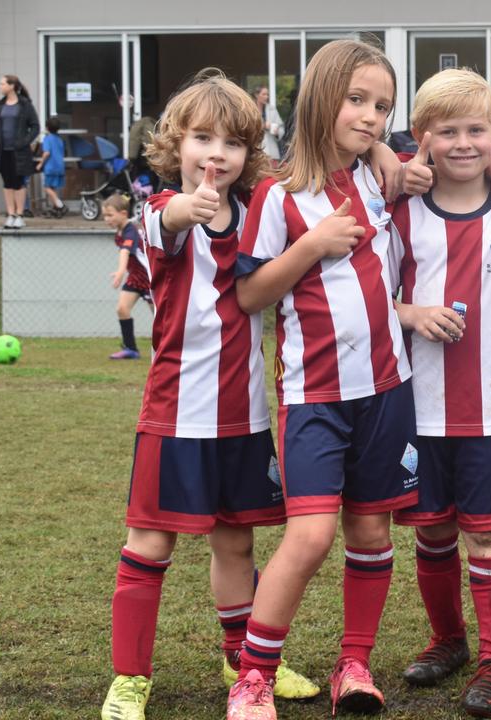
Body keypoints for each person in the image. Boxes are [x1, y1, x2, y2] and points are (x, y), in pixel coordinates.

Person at [98, 69, 318, 720]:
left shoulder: (258, 215)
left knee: (237, 544)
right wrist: (181, 207)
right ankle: (130, 679)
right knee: (149, 544)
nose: (215, 153)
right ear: (176, 145)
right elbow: (166, 219)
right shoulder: (159, 212)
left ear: (249, 155)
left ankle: (244, 663)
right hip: (174, 415)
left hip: (245, 418)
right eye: (201, 138)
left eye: (231, 143)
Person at [226, 39, 419, 720]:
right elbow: (250, 296)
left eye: (383, 106)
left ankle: (354, 664)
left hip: (387, 392)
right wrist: (310, 247)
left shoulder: (377, 177)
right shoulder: (277, 197)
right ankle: (253, 677)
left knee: (371, 535)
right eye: (357, 100)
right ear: (319, 98)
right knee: (309, 538)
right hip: (316, 398)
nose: (371, 117)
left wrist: (390, 150)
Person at [391, 68, 491, 719]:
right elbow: (370, 297)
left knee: (485, 540)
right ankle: (448, 640)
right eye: (445, 131)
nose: (461, 142)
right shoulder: (400, 208)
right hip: (415, 409)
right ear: (421, 138)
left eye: (476, 130)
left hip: (486, 413)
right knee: (430, 535)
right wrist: (413, 314)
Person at [102, 194, 151, 359]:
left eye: (110, 215)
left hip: (150, 278)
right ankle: (131, 349)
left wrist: (121, 270)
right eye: (105, 216)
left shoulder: (131, 230)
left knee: (161, 317)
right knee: (122, 309)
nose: (106, 219)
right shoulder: (121, 230)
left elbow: (125, 251)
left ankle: (174, 348)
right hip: (136, 277)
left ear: (123, 214)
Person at [0, 74, 40, 229]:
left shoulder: (25, 105)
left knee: (19, 182)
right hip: (2, 151)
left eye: (2, 84)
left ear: (11, 86)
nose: (0, 86)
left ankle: (19, 215)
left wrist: (24, 142)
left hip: (19, 152)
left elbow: (35, 126)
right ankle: (10, 214)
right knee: (7, 183)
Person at [37, 116, 67, 217]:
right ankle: (56, 208)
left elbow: (47, 153)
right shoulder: (59, 139)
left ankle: (60, 205)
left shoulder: (47, 139)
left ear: (47, 128)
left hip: (51, 167)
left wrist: (41, 163)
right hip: (60, 167)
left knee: (47, 188)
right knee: (53, 188)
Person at [253, 85, 285, 162]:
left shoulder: (272, 109)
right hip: (255, 151)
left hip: (271, 151)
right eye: (264, 94)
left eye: (267, 94)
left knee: (271, 173)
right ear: (257, 95)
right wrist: (261, 125)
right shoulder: (250, 109)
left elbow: (281, 129)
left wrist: (272, 127)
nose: (266, 97)